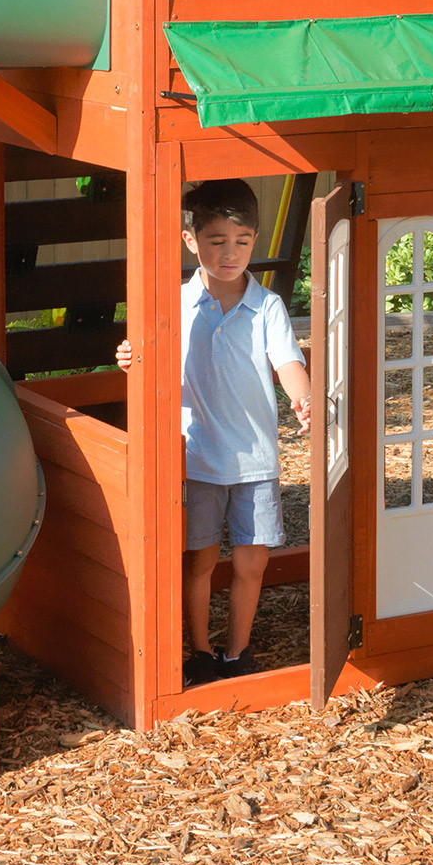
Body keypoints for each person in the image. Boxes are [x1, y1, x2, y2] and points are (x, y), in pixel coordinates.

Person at [116, 178, 312, 683]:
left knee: (251, 564)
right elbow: (146, 358)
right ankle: (200, 653)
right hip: (197, 459)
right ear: (191, 240)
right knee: (198, 562)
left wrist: (304, 395)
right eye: (216, 242)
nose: (230, 254)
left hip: (256, 461)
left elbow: (288, 361)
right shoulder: (173, 305)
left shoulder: (267, 307)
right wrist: (129, 359)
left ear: (256, 240)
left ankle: (237, 651)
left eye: (242, 242)